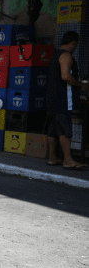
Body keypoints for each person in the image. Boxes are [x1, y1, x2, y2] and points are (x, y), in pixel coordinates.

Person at [46, 31, 88, 169]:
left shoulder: (55, 55)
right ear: (73, 43)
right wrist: (80, 84)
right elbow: (65, 76)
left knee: (52, 129)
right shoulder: (66, 55)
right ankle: (68, 160)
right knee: (65, 129)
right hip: (63, 98)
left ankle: (52, 157)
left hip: (52, 97)